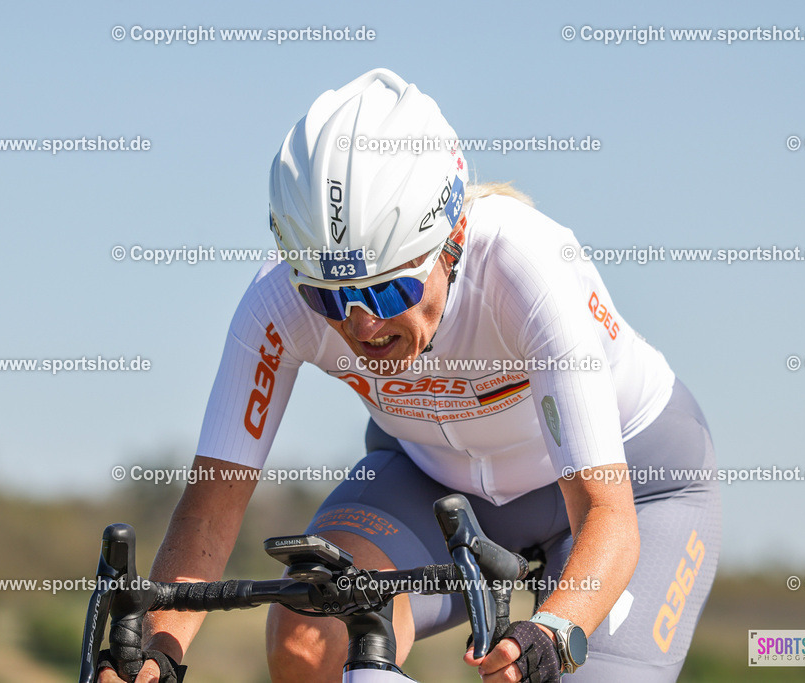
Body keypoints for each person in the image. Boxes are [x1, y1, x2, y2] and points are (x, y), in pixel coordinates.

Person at [99, 68, 721, 683]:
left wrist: (552, 634)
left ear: (450, 239)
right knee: (312, 639)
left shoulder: (527, 269)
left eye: (390, 288)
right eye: (330, 299)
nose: (363, 325)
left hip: (636, 487)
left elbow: (605, 516)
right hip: (432, 482)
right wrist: (159, 652)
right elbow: (209, 511)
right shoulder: (275, 300)